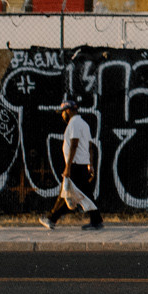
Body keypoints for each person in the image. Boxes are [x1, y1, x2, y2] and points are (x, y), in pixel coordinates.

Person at [44, 97, 103, 231]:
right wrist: (91, 165)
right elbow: (89, 147)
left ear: (69, 110)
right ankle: (96, 220)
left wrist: (68, 167)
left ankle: (52, 218)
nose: (62, 115)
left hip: (75, 165)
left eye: (63, 112)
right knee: (84, 194)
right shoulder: (84, 124)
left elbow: (74, 145)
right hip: (82, 165)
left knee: (68, 194)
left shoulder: (74, 124)